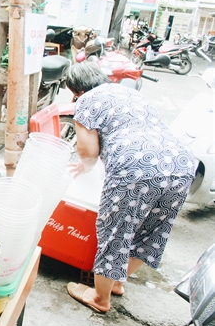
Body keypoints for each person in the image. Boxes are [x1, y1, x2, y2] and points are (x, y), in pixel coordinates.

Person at [64, 62, 195, 313]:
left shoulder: (86, 101)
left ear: (77, 90)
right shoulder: (130, 92)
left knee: (115, 231)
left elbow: (88, 151)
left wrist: (85, 166)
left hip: (137, 166)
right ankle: (116, 282)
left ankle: (100, 298)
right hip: (180, 163)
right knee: (151, 231)